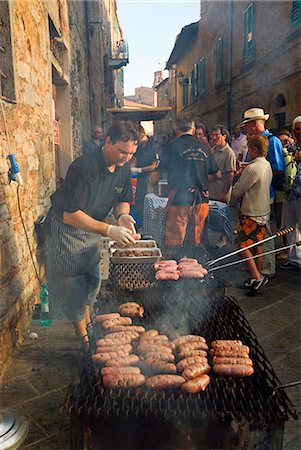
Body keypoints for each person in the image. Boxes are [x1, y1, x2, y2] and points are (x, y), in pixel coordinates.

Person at [46, 121, 139, 348]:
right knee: (74, 286)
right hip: (68, 230)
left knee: (93, 281)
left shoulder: (123, 167)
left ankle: (87, 324)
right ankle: (84, 340)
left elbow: (122, 200)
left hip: (91, 229)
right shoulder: (84, 167)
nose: (125, 158)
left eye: (130, 154)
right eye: (122, 151)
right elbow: (70, 215)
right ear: (108, 141)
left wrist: (122, 217)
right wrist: (109, 230)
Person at [158, 118, 221, 246]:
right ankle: (195, 260)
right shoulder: (204, 146)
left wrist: (153, 180)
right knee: (196, 240)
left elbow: (157, 174)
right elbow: (217, 175)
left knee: (174, 242)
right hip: (201, 200)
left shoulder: (171, 145)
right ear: (193, 130)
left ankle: (176, 262)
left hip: (180, 200)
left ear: (177, 130)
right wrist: (201, 178)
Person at [240, 107, 285, 278]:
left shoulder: (271, 141)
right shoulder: (255, 140)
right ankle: (255, 265)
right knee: (254, 233)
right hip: (254, 193)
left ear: (253, 124)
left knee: (264, 234)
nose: (245, 129)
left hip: (266, 193)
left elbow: (278, 168)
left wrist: (256, 168)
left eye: (247, 125)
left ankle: (267, 268)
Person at [232, 135, 272, 295]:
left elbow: (237, 190)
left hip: (251, 212)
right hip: (264, 211)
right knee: (258, 245)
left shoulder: (252, 168)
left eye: (249, 148)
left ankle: (256, 277)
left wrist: (239, 175)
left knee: (244, 246)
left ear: (255, 149)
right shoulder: (266, 164)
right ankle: (258, 274)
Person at [209, 125, 236, 248]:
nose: (214, 138)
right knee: (214, 215)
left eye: (217, 135)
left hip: (222, 189)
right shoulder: (213, 150)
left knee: (224, 216)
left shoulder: (229, 152)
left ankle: (223, 239)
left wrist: (225, 192)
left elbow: (231, 174)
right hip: (212, 189)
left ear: (224, 136)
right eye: (213, 135)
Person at [280, 116, 301, 270]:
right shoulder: (290, 147)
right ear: (294, 131)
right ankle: (293, 258)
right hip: (289, 194)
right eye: (298, 129)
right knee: (289, 227)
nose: (300, 132)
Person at [130, 125, 158, 226]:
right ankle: (139, 224)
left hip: (147, 178)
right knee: (138, 202)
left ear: (141, 134)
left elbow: (153, 165)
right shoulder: (140, 146)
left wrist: (139, 169)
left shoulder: (151, 146)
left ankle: (148, 226)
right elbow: (134, 159)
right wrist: (130, 168)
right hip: (138, 179)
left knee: (146, 203)